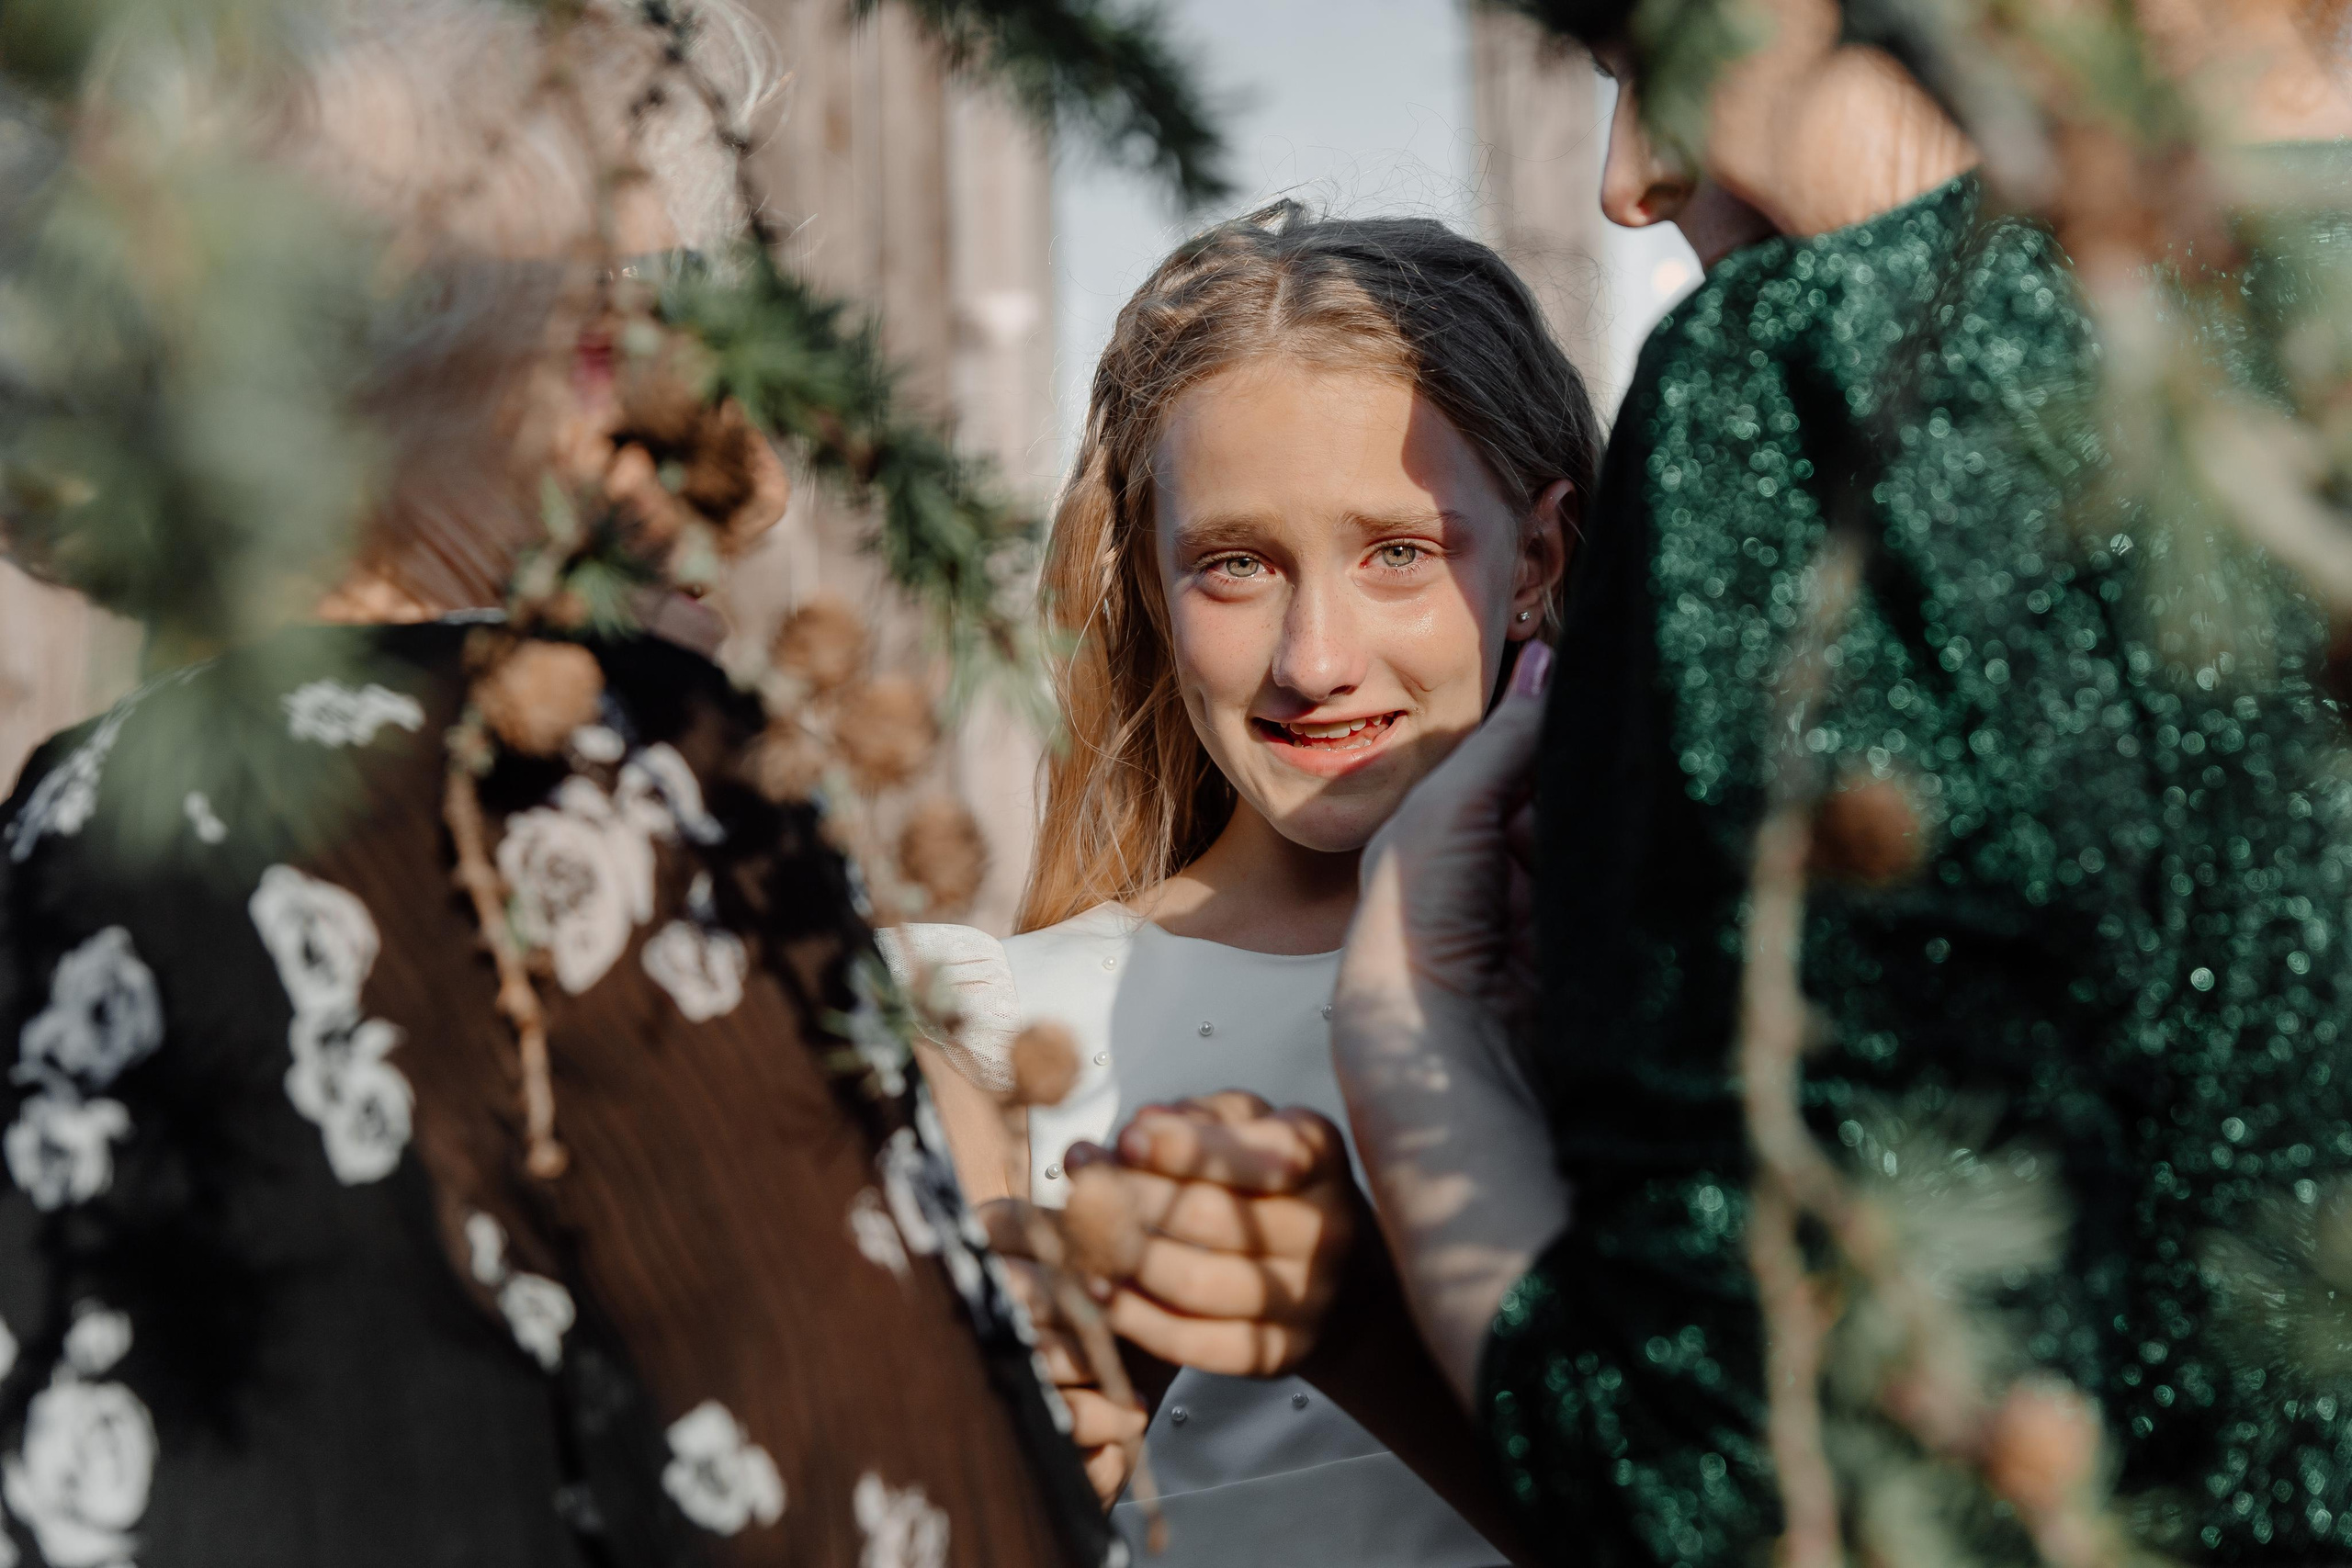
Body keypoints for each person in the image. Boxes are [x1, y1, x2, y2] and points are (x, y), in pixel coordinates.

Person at [0, 4, 1111, 1564]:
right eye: (628, 352)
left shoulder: (54, 825)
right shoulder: (589, 785)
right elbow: (901, 1508)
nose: (748, 476)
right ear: (366, 379)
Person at [1322, 2, 2352, 1564]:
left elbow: (1735, 1489)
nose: (1628, 180)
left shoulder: (1812, 378)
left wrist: (1416, 1037)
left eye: (1651, 52)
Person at [895, 202, 1594, 1567]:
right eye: (1236, 565)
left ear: (1538, 562)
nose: (1313, 660)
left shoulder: (1686, 991)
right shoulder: (985, 1039)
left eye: (1398, 552)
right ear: (1154, 592)